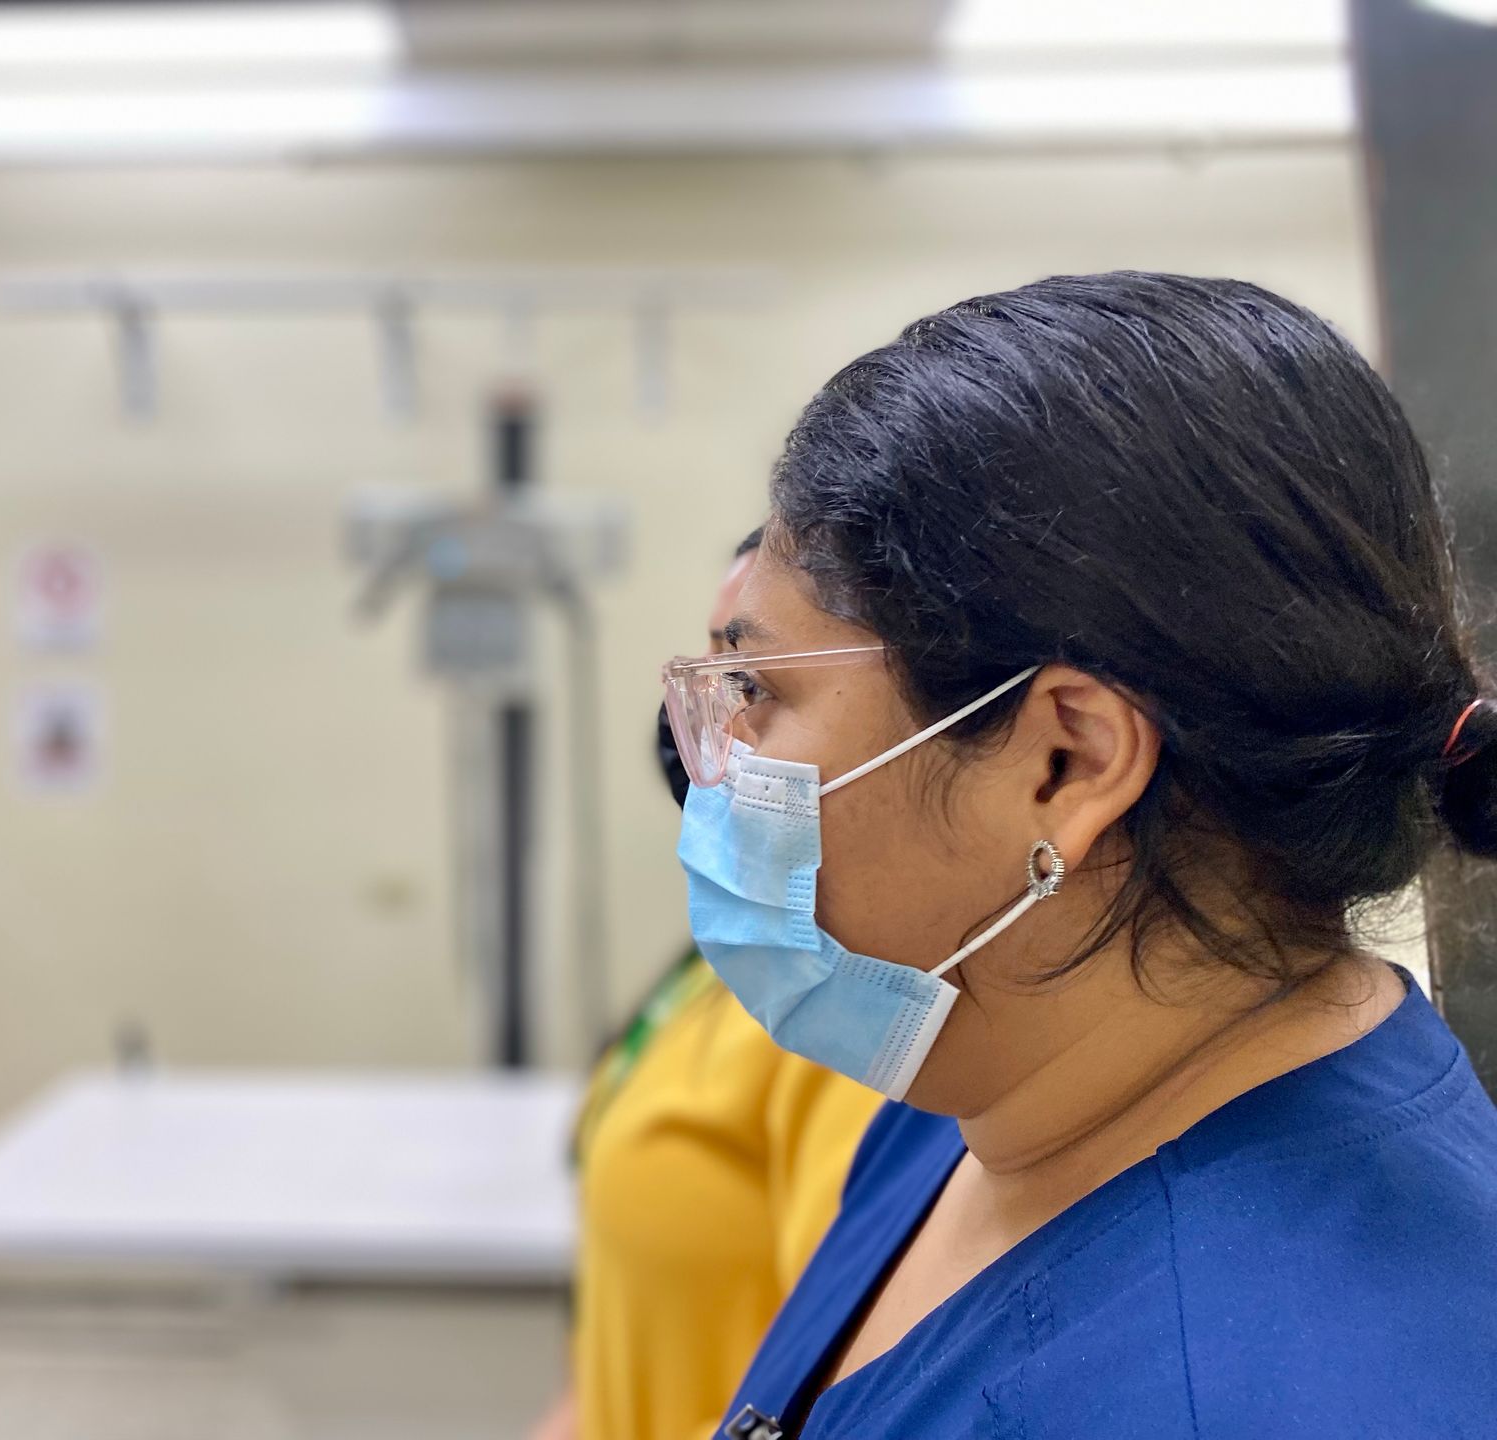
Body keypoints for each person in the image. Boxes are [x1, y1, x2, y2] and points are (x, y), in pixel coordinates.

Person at [660, 273, 1497, 1439]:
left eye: (762, 689)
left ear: (1065, 762)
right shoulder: (977, 1085)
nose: (715, 757)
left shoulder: (1274, 1391)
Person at [529, 531, 883, 1440]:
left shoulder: (840, 1007)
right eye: (712, 673)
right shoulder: (734, 948)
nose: (708, 724)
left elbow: (845, 1388)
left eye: (755, 683)